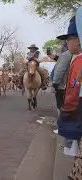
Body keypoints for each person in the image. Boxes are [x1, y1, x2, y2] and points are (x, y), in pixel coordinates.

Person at [55, 15, 82, 180]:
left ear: (78, 40)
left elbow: (73, 93)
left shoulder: (77, 60)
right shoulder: (31, 55)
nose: (67, 43)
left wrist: (66, 112)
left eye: (70, 38)